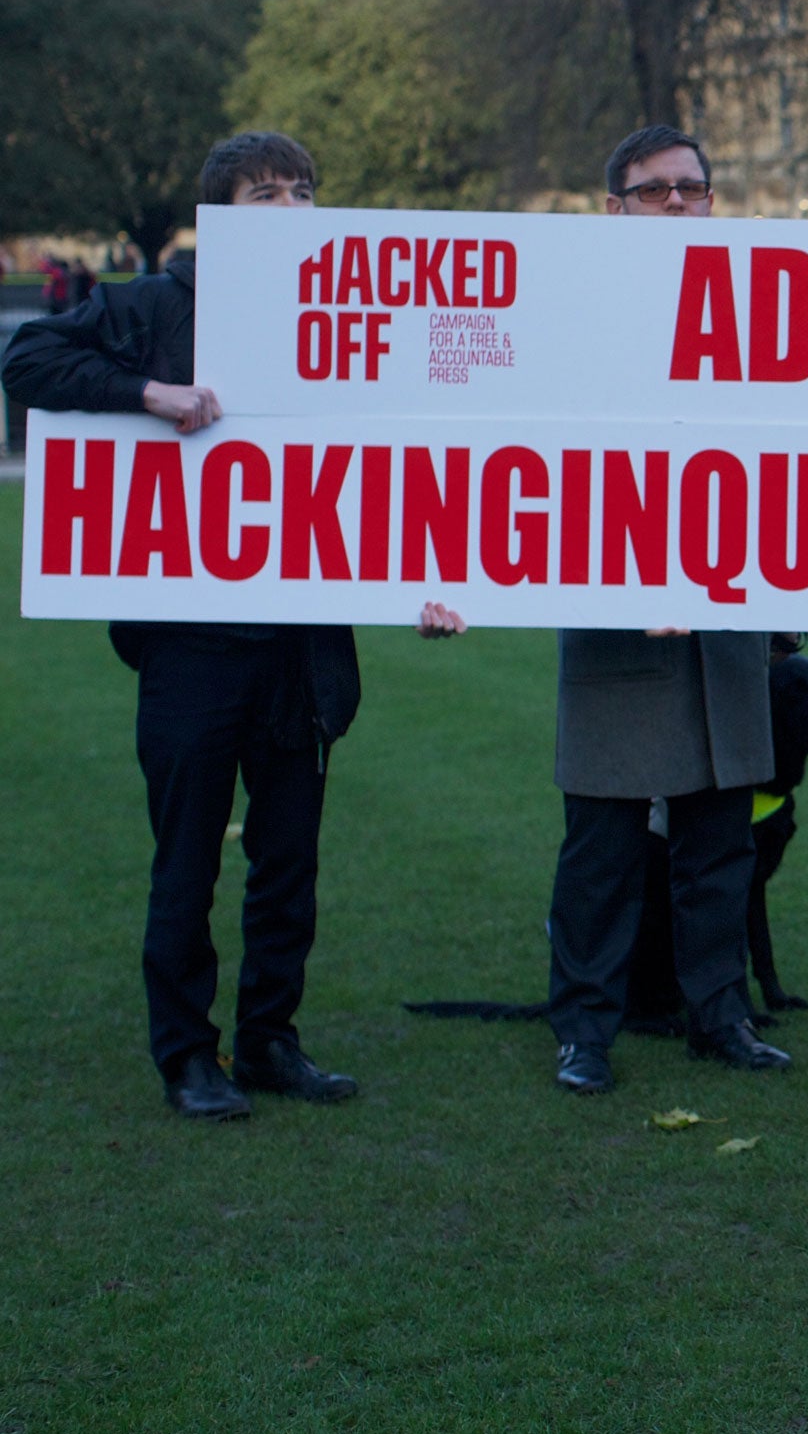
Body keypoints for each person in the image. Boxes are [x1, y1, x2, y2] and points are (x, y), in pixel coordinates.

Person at [0, 131, 465, 1122]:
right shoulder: (154, 307)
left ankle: (269, 1041)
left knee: (288, 863)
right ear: (220, 214)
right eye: (265, 192)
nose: (290, 205)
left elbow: (403, 464)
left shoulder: (349, 317)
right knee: (188, 858)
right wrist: (146, 393)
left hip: (302, 649)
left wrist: (423, 583)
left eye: (303, 188)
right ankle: (185, 1056)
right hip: (193, 648)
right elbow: (30, 357)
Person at [545, 124, 786, 1095]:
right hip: (617, 629)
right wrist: (625, 581)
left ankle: (717, 1015)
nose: (679, 206)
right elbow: (547, 467)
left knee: (717, 846)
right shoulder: (574, 315)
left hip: (724, 625)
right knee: (602, 850)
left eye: (692, 188)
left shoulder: (759, 307)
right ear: (614, 209)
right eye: (655, 192)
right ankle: (585, 1029)